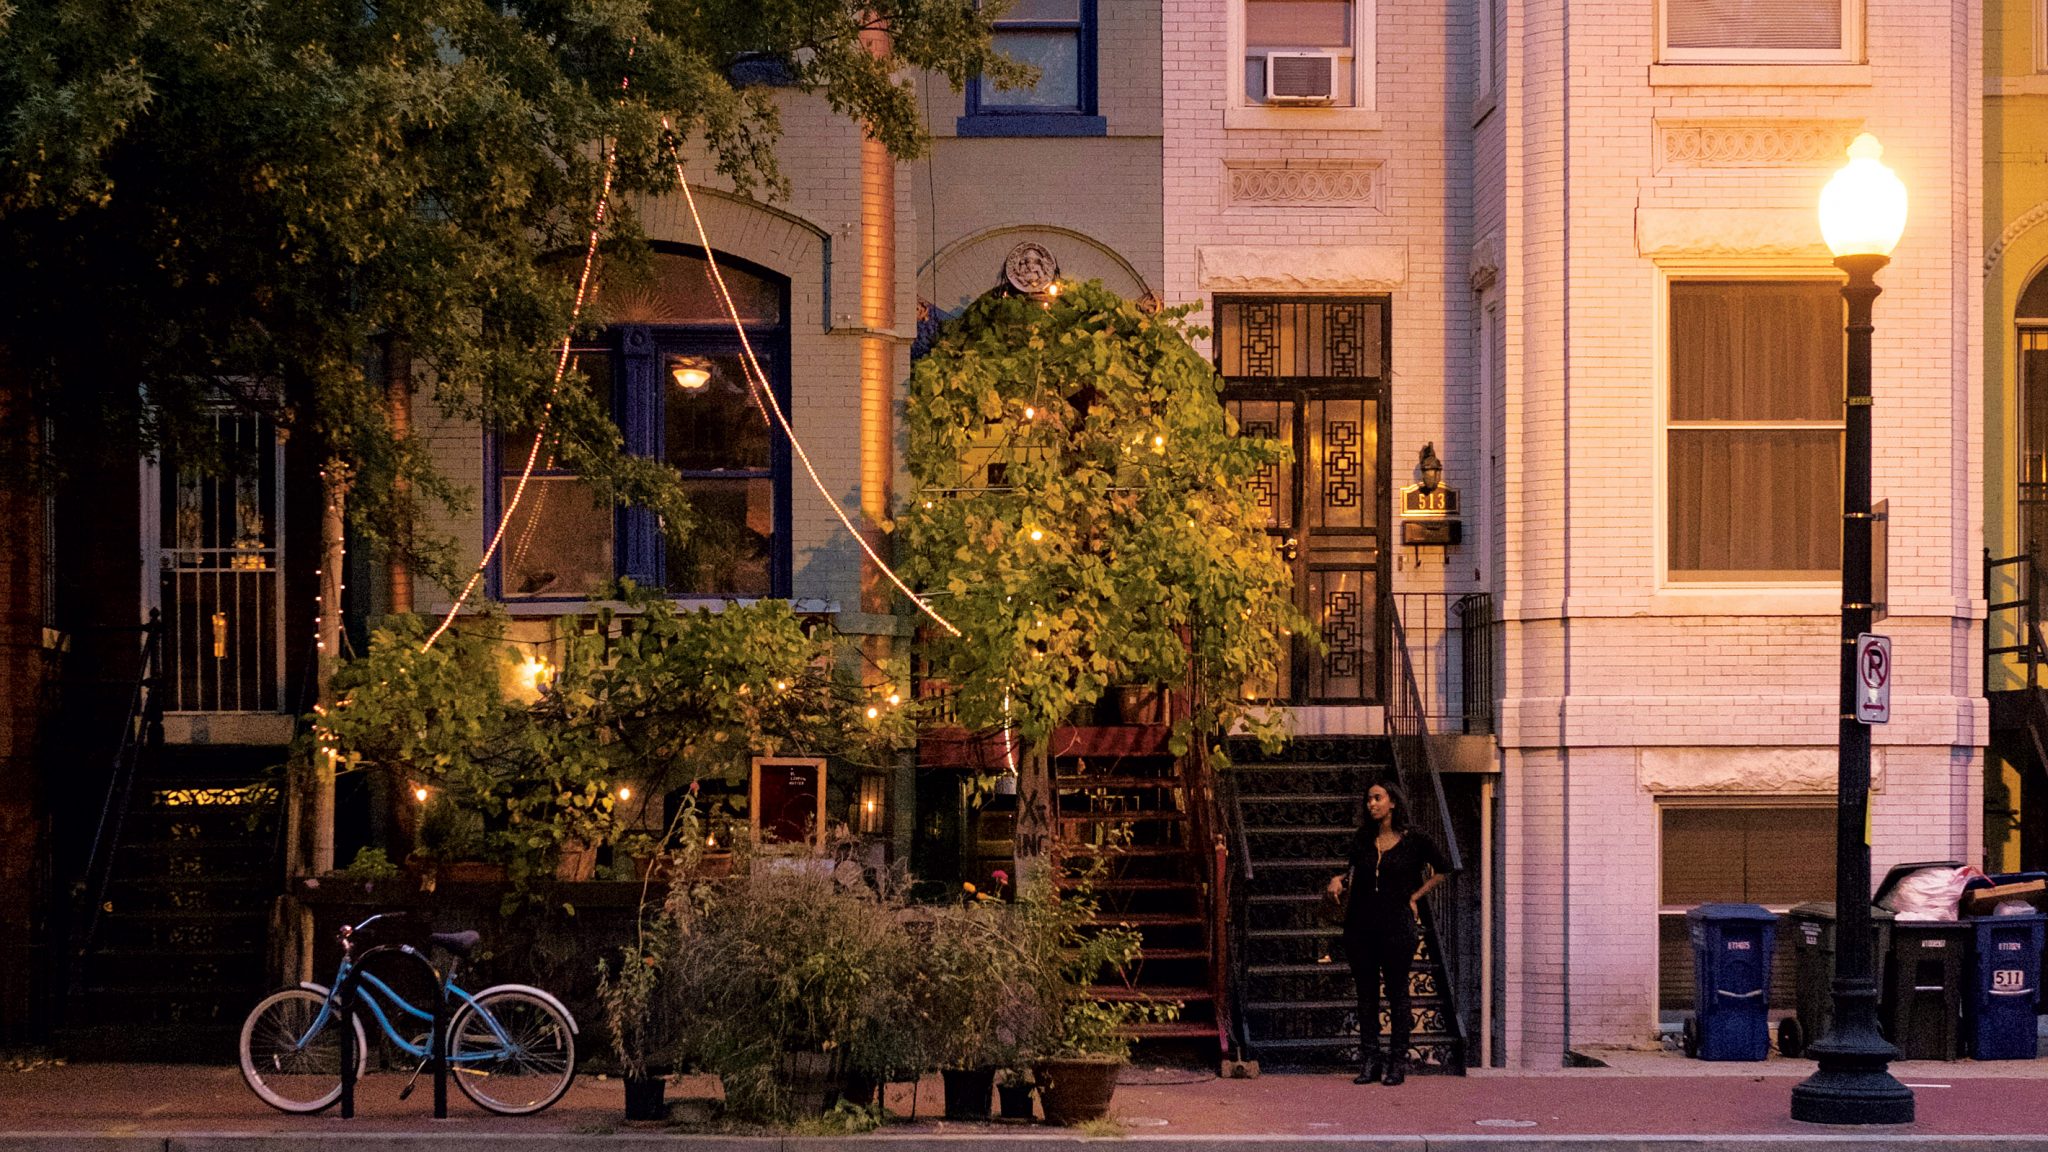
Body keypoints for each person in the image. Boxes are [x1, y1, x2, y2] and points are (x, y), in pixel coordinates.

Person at [1326, 779, 1448, 1085]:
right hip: (1360, 926)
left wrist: (1415, 897)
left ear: (1393, 802)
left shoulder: (1414, 839)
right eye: (1368, 799)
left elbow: (1444, 869)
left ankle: (1397, 1062)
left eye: (1377, 798)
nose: (1372, 804)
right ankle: (1370, 1061)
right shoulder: (1362, 838)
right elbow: (1353, 870)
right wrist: (1338, 879)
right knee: (1366, 996)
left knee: (1397, 994)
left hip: (1397, 926)